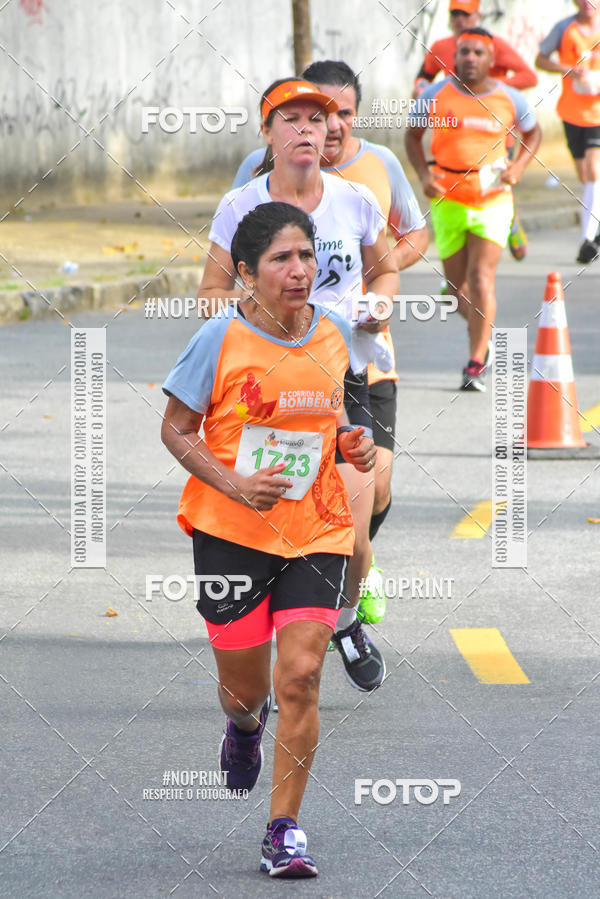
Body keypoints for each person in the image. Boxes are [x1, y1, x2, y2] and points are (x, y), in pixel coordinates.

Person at [162, 202, 376, 878]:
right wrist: (230, 482)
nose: (299, 269)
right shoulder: (218, 339)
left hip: (316, 526)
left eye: (307, 256)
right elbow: (176, 428)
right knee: (246, 690)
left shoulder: (335, 333)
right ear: (247, 273)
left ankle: (283, 828)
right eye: (282, 259)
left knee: (303, 677)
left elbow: (338, 413)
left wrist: (354, 442)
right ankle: (245, 728)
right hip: (231, 532)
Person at [199, 77, 399, 691]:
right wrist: (250, 330)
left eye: (319, 117)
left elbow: (387, 270)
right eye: (292, 119)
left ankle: (343, 619)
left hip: (342, 374)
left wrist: (378, 307)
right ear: (268, 133)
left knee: (356, 534)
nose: (309, 128)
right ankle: (284, 649)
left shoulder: (355, 199)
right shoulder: (241, 208)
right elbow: (211, 294)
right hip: (266, 387)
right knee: (278, 513)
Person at [233, 59, 428, 627]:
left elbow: (409, 239)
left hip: (363, 358)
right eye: (317, 114)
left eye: (341, 113)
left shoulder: (378, 168)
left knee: (375, 486)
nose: (330, 125)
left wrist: (377, 290)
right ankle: (322, 597)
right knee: (302, 487)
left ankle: (356, 563)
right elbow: (234, 259)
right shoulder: (255, 176)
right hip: (283, 366)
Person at [405, 28, 542, 392]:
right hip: (447, 198)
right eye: (464, 51)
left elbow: (534, 132)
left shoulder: (510, 98)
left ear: (491, 59)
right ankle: (486, 333)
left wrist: (518, 168)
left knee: (482, 280)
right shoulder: (435, 95)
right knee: (455, 291)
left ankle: (475, 362)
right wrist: (422, 175)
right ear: (455, 57)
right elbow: (412, 135)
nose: (469, 58)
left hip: (492, 199)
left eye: (477, 52)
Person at [413, 0, 538, 261]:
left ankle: (509, 222)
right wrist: (421, 88)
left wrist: (488, 88)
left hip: (494, 128)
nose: (459, 19)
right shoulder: (440, 47)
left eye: (465, 14)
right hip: (453, 127)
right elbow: (422, 75)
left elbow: (529, 77)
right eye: (454, 14)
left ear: (478, 16)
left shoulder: (495, 44)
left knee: (495, 180)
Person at [536, 0, 600, 263]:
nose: (587, 2)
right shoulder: (564, 28)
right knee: (586, 176)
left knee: (595, 172)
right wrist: (568, 70)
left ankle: (587, 240)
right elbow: (540, 59)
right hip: (572, 114)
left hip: (598, 114)